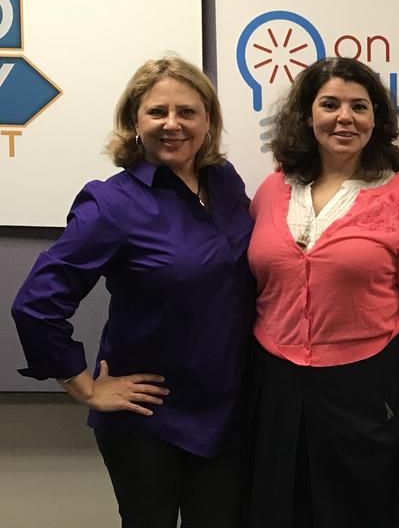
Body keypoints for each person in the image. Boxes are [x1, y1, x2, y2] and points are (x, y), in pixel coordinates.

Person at [11, 56, 254, 528]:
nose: (172, 124)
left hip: (231, 408)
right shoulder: (111, 202)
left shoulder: (226, 184)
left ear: (208, 120)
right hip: (150, 416)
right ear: (133, 121)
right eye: (157, 112)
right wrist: (84, 387)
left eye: (187, 112)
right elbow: (37, 304)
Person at [246, 57, 399, 528]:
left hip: (368, 391)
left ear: (376, 119)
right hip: (276, 387)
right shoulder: (272, 191)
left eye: (359, 106)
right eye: (330, 104)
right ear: (307, 114)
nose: (345, 117)